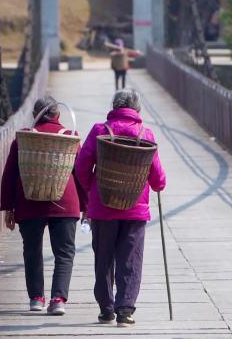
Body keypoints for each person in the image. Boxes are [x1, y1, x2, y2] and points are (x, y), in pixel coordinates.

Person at [75, 89, 166, 327]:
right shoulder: (145, 133)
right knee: (131, 258)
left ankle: (106, 309)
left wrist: (91, 190)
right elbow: (158, 179)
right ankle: (125, 310)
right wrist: (159, 184)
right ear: (136, 110)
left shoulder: (100, 131)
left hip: (103, 208)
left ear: (114, 106)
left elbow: (81, 167)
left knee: (103, 257)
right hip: (135, 209)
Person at [0, 96, 88, 316]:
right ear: (58, 115)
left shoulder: (24, 139)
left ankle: (36, 298)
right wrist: (87, 206)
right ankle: (58, 299)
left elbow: (10, 175)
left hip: (29, 203)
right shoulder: (71, 138)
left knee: (32, 251)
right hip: (65, 203)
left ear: (34, 115)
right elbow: (82, 175)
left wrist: (8, 208)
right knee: (65, 252)